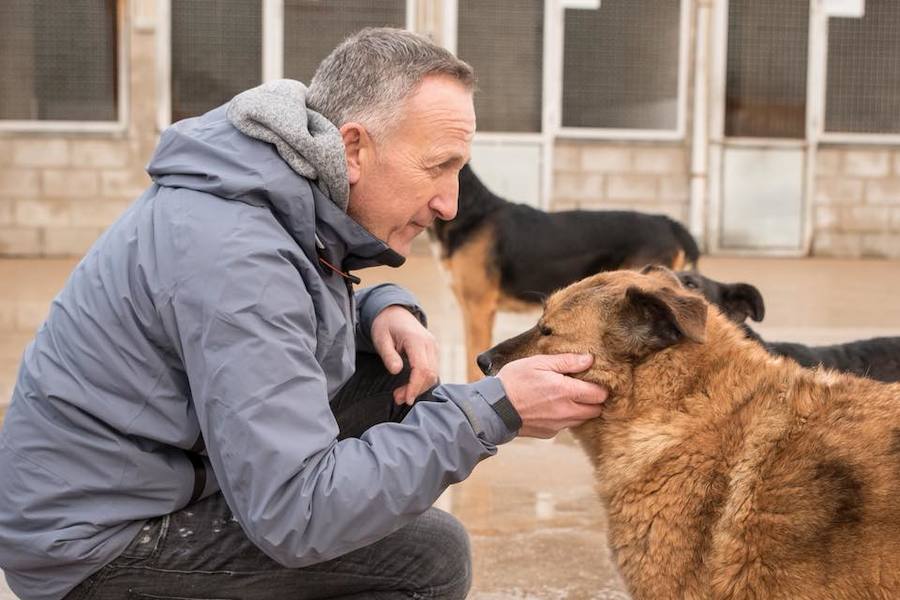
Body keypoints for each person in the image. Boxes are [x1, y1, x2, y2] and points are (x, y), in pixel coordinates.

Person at [0, 27, 607, 600]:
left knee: (382, 376)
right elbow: (296, 515)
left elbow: (277, 312)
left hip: (142, 480)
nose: (449, 204)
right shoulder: (234, 256)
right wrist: (491, 411)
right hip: (91, 543)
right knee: (429, 555)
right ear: (352, 148)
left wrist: (377, 305)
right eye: (436, 167)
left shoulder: (268, 184)